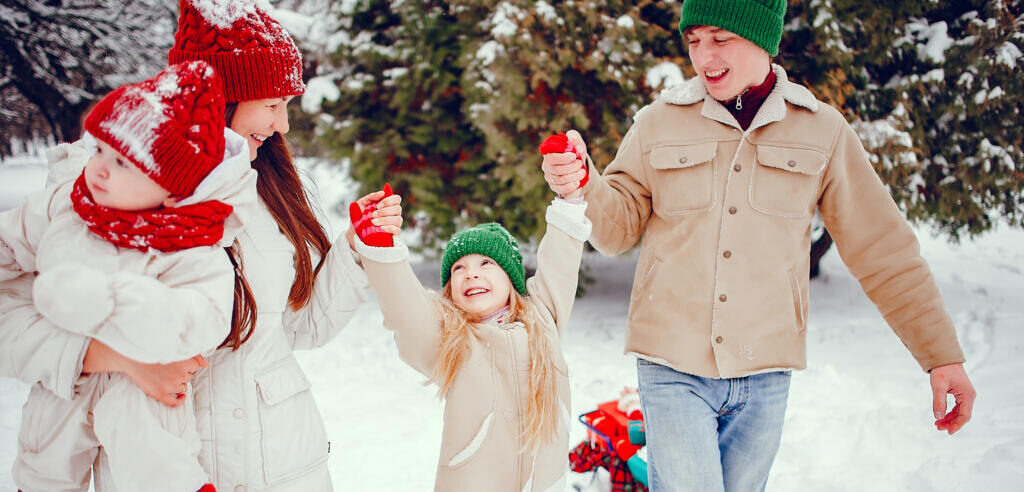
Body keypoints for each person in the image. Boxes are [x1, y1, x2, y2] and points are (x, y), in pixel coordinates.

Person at [540, 1, 977, 491]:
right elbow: (617, 227)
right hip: (672, 363)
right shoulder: (659, 122)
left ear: (763, 39)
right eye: (694, 40)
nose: (704, 56)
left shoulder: (821, 131)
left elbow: (884, 251)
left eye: (720, 38)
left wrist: (941, 356)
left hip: (765, 370)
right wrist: (583, 185)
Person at [0, 0, 402, 490]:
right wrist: (116, 357)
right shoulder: (103, 188)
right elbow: (13, 316)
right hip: (165, 467)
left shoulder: (267, 187)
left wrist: (353, 248)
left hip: (279, 467)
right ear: (223, 98)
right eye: (273, 105)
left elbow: (294, 328)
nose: (284, 126)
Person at [0, 61, 249, 492]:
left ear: (171, 188)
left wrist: (116, 300)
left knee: (155, 462)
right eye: (98, 149)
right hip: (57, 415)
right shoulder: (64, 207)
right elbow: (7, 246)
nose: (97, 168)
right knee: (48, 467)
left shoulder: (193, 247)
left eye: (121, 162)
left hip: (149, 436)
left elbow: (203, 319)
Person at [348, 181, 592, 491]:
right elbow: (406, 311)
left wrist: (570, 200)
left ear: (510, 277)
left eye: (486, 263)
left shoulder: (542, 320)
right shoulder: (451, 342)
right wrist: (382, 250)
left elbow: (561, 263)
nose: (471, 274)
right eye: (458, 268)